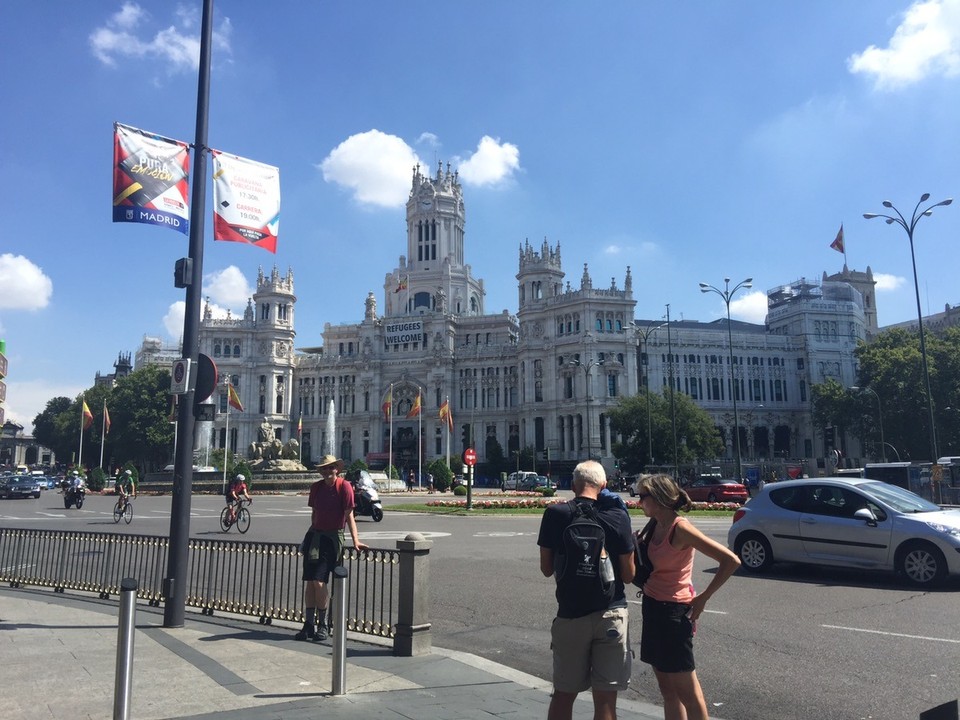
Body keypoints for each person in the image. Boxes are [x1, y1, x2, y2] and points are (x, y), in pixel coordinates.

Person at [634, 474, 741, 720]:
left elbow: (730, 560)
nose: (639, 501)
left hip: (673, 613)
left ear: (658, 498)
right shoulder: (654, 525)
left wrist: (703, 597)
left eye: (643, 497)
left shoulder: (680, 528)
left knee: (688, 694)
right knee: (667, 690)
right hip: (652, 607)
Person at [537, 460, 635, 720]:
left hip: (570, 613)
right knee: (605, 702)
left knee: (563, 695)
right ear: (604, 486)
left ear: (572, 485)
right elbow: (628, 574)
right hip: (611, 612)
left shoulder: (555, 514)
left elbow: (546, 568)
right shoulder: (617, 517)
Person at [297, 454, 368, 642]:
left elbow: (349, 516)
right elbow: (314, 513)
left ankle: (323, 624)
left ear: (337, 469)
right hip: (315, 536)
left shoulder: (344, 487)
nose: (327, 471)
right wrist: (309, 536)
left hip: (332, 538)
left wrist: (355, 540)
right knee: (310, 582)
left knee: (320, 581)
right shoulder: (316, 488)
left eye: (330, 468)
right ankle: (309, 624)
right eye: (323, 469)